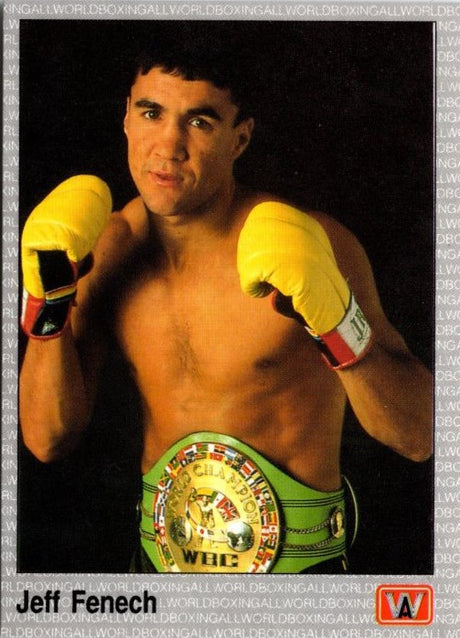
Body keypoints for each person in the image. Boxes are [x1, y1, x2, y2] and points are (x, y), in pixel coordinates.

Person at [19, 37, 432, 575]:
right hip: (157, 573)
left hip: (293, 584)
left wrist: (340, 330)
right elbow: (47, 439)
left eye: (200, 122)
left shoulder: (309, 245)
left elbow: (420, 437)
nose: (169, 146)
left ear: (240, 138)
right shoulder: (109, 247)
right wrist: (45, 309)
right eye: (151, 113)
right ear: (125, 117)